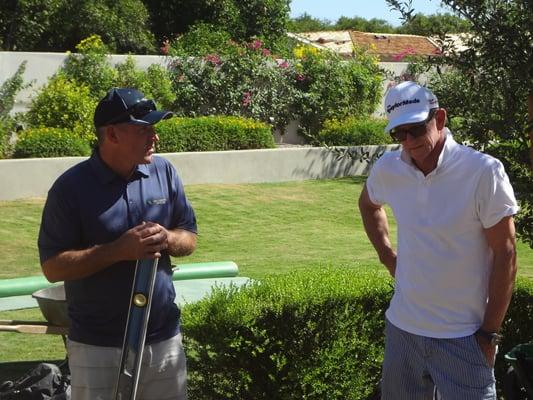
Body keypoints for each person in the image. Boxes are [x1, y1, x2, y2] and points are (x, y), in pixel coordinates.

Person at [358, 81, 519, 399]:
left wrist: (489, 334)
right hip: (403, 330)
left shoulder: (483, 172)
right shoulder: (390, 168)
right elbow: (368, 203)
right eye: (398, 134)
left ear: (440, 119)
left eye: (416, 129)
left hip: (464, 336)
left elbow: (506, 254)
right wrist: (388, 257)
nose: (408, 142)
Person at [38, 88, 198, 400]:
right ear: (112, 134)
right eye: (144, 129)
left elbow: (189, 237)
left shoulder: (164, 172)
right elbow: (52, 267)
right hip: (98, 347)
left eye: (154, 128)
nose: (155, 137)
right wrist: (117, 251)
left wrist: (168, 238)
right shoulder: (70, 189)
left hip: (163, 339)